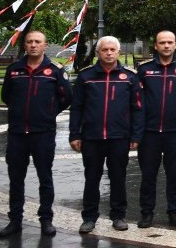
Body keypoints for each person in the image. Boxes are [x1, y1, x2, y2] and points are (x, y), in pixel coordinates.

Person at [0, 30, 70, 238]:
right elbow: (6, 96)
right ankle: (15, 220)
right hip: (18, 133)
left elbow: (66, 97)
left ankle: (46, 220)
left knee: (45, 177)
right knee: (15, 179)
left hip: (43, 133)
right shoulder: (14, 70)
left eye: (37, 42)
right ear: (25, 45)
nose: (33, 45)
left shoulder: (55, 71)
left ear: (45, 45)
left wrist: (48, 113)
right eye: (29, 42)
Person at [70, 36, 143, 234]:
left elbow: (137, 108)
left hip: (119, 137)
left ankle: (118, 216)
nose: (109, 53)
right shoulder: (86, 77)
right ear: (98, 53)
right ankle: (89, 217)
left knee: (118, 177)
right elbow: (76, 108)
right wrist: (74, 134)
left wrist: (136, 136)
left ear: (118, 52)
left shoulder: (129, 77)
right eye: (105, 50)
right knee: (91, 178)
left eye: (112, 49)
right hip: (91, 138)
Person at [136, 30, 176, 229]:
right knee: (148, 175)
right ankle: (146, 213)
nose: (166, 46)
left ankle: (174, 212)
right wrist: (138, 130)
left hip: (175, 132)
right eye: (162, 42)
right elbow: (137, 102)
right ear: (156, 46)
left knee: (174, 175)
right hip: (149, 133)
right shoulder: (144, 70)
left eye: (170, 42)